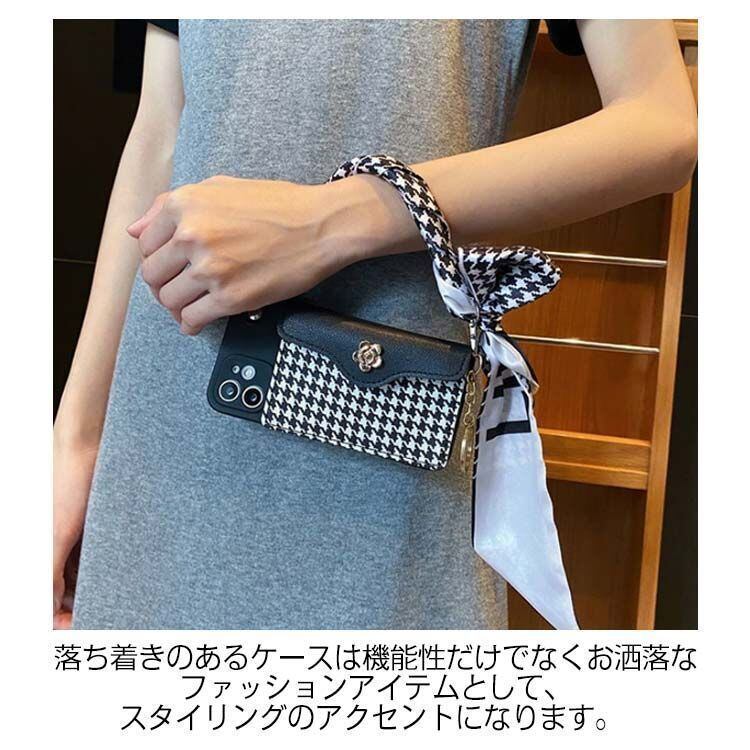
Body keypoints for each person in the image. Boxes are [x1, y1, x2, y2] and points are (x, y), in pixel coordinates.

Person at [54, 19, 697, 629]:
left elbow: (660, 126)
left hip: (385, 432)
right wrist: (73, 444)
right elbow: (161, 129)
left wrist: (330, 222)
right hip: (159, 436)